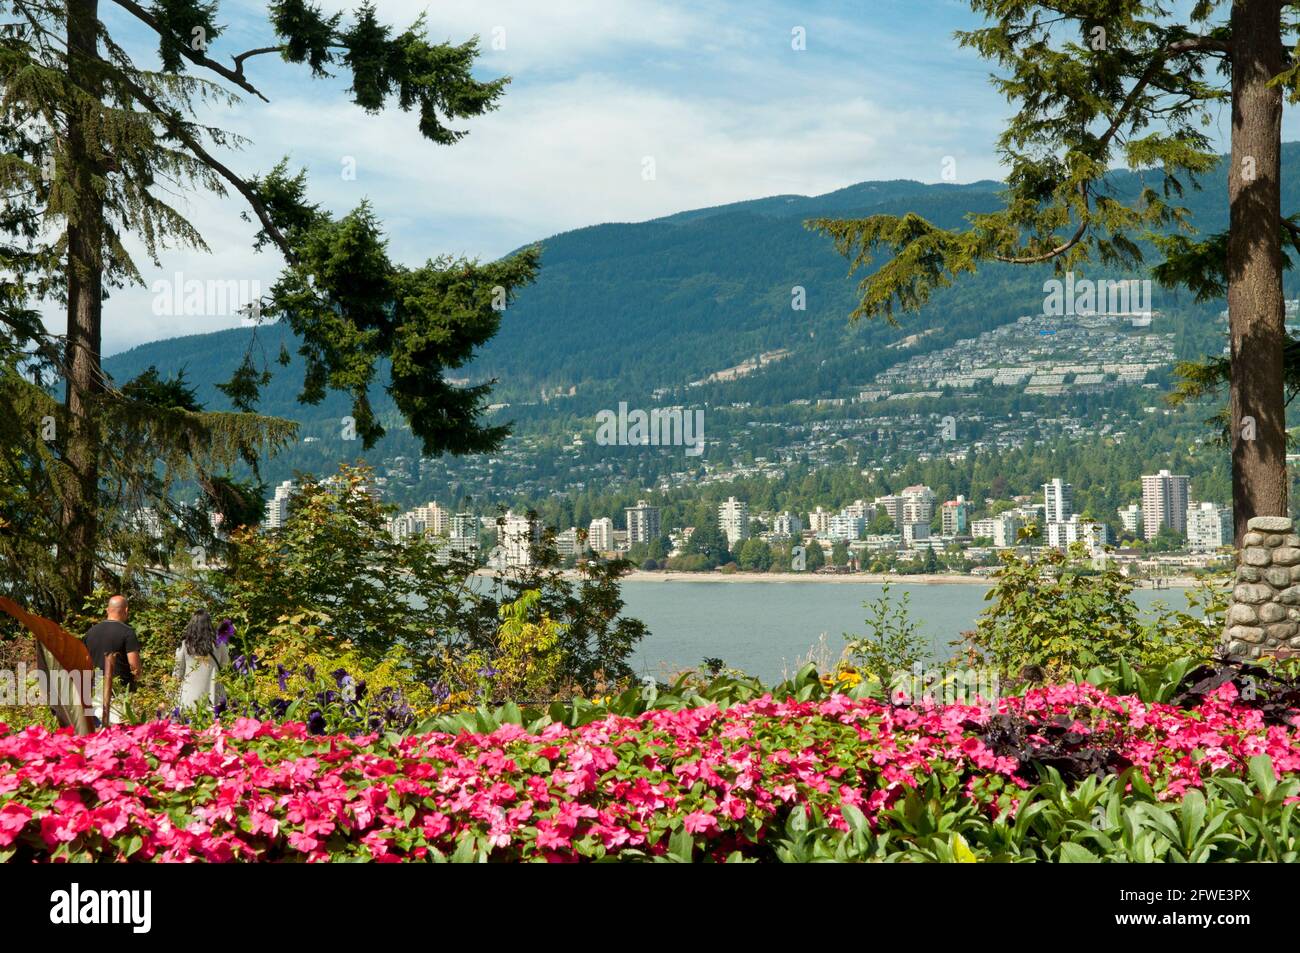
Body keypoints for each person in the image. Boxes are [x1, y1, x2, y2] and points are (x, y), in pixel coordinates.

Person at [84, 594, 141, 726]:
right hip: (120, 693)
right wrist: (138, 679)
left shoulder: (90, 632)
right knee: (121, 735)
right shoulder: (128, 633)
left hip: (96, 691)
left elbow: (85, 662)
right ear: (126, 611)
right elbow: (134, 667)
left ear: (107, 610)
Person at [172, 609, 228, 713]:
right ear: (209, 624)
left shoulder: (184, 645)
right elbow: (225, 667)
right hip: (213, 697)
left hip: (188, 699)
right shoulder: (219, 644)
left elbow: (177, 674)